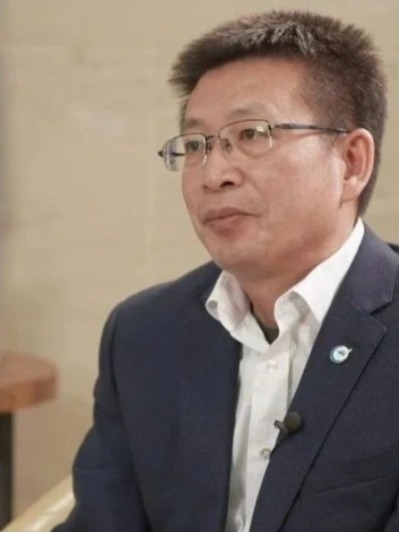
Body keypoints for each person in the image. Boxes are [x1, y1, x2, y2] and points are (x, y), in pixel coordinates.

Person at [56, 10, 399, 531]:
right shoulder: (143, 335)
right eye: (196, 145)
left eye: (253, 134)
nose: (214, 174)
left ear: (351, 161)